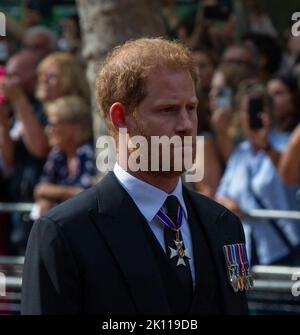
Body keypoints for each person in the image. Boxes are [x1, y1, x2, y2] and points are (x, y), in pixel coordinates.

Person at [21, 38, 249, 315]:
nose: (186, 125)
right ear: (121, 118)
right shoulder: (63, 233)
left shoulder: (223, 224)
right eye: (168, 110)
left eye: (191, 108)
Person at [34, 95, 96, 216]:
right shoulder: (57, 155)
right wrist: (45, 200)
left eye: (53, 124)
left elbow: (91, 196)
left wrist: (57, 192)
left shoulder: (89, 153)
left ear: (75, 126)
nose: (48, 130)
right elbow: (40, 189)